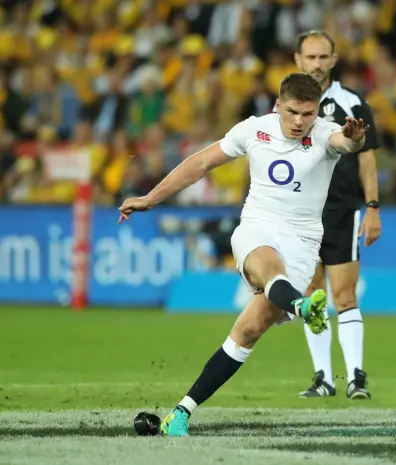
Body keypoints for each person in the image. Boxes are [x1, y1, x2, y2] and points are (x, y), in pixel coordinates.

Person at [117, 72, 369, 436]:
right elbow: (201, 163)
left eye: (308, 114)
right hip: (258, 227)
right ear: (278, 106)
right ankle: (301, 306)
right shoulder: (253, 129)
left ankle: (180, 414)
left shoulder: (324, 132)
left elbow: (345, 142)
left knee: (249, 330)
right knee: (268, 268)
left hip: (303, 242)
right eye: (294, 112)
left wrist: (354, 138)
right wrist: (149, 199)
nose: (300, 121)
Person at [293, 30, 382, 400]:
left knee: (344, 296)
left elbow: (367, 156)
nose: (316, 64)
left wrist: (373, 207)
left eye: (322, 57)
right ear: (298, 60)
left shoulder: (351, 102)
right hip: (299, 213)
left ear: (333, 59)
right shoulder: (286, 104)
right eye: (309, 57)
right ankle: (323, 379)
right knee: (313, 296)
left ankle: (356, 379)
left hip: (341, 210)